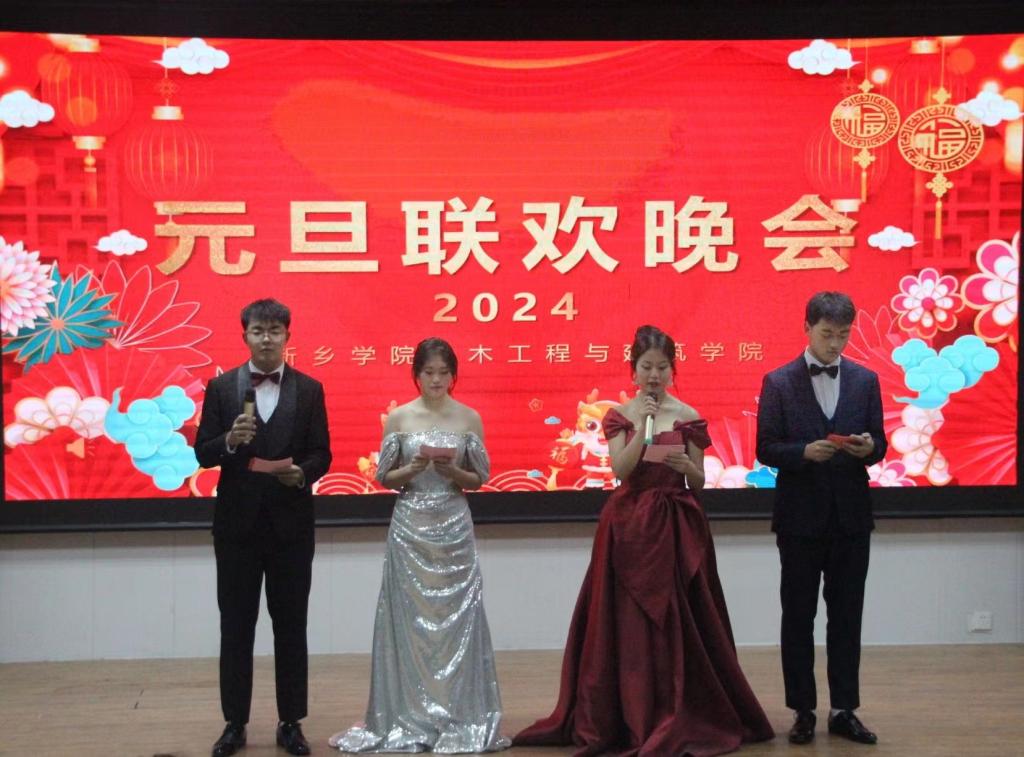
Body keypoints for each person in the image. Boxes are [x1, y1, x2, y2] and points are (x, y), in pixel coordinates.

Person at [515, 325, 774, 756]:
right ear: (633, 370)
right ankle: (629, 712)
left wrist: (685, 465)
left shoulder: (688, 414)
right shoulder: (620, 414)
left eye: (662, 367)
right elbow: (620, 469)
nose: (654, 375)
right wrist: (647, 428)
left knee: (680, 619)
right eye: (647, 367)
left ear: (673, 370)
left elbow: (698, 481)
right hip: (628, 525)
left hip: (677, 525)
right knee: (627, 623)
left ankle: (679, 707)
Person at [330, 337, 509, 753]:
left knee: (458, 621)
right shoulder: (399, 418)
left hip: (454, 526)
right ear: (416, 374)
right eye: (428, 372)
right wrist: (411, 468)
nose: (436, 380)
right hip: (410, 526)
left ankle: (459, 712)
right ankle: (406, 712)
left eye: (444, 373)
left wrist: (453, 473)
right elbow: (384, 478)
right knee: (408, 622)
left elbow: (478, 479)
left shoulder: (469, 418)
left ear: (454, 376)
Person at [195, 298, 332, 757]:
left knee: (291, 626)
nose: (267, 338)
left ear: (288, 335)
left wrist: (303, 474)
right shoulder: (221, 388)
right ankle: (234, 723)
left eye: (275, 330)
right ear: (245, 336)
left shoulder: (310, 389)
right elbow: (202, 452)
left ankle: (291, 722)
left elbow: (322, 453)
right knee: (236, 627)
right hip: (237, 530)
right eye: (258, 331)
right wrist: (229, 441)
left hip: (292, 529)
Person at [756, 291, 886, 746]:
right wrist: (803, 453)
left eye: (843, 335)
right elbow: (765, 447)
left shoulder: (866, 380)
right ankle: (803, 710)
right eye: (827, 334)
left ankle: (844, 709)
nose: (835, 344)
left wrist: (869, 448)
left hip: (851, 517)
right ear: (807, 328)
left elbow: (880, 443)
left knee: (847, 617)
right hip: (799, 520)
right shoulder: (778, 382)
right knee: (798, 616)